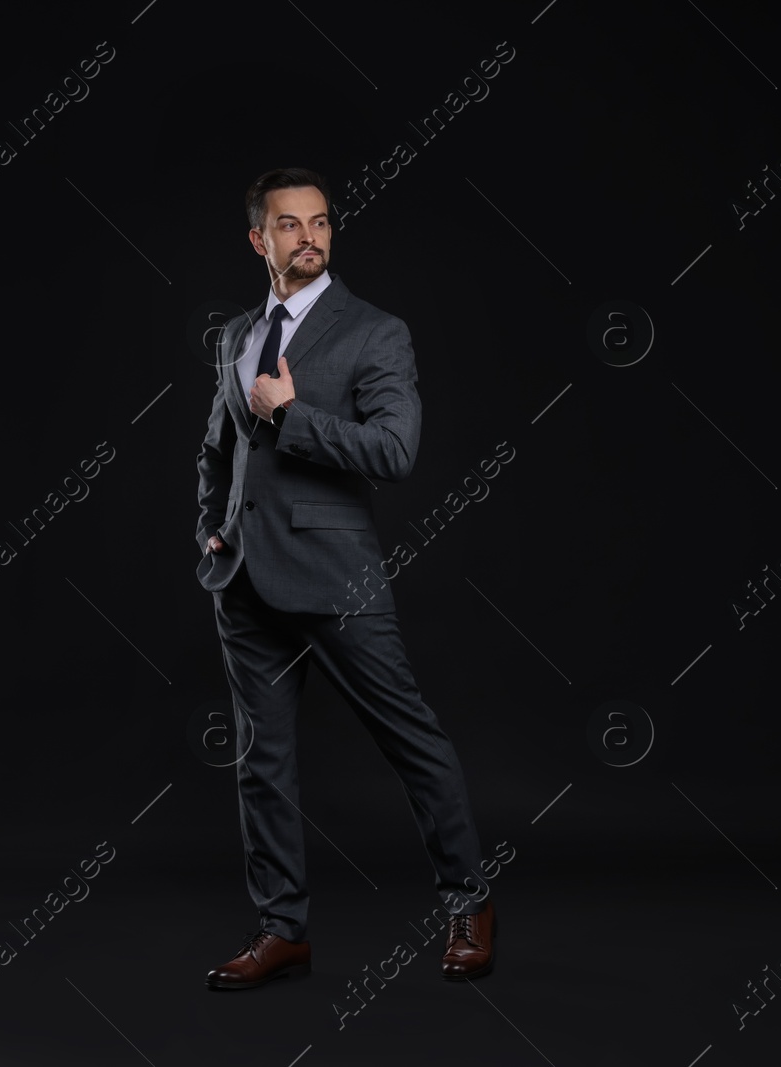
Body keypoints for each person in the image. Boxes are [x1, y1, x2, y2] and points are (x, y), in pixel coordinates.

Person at [194, 167, 496, 990]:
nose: (310, 238)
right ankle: (281, 928)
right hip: (245, 582)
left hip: (339, 578)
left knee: (411, 739)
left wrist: (293, 415)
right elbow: (218, 449)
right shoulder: (235, 337)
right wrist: (212, 532)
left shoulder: (375, 331)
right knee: (262, 761)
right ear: (260, 239)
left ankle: (469, 902)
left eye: (321, 223)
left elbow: (396, 452)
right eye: (290, 226)